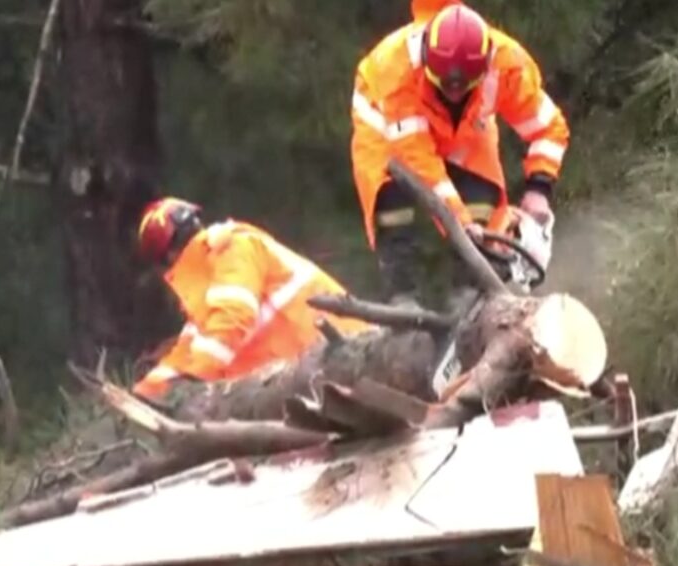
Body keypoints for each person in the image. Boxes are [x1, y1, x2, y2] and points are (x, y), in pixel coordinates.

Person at [350, 0, 570, 308]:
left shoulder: (508, 65)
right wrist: (462, 223)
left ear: (484, 67)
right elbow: (420, 165)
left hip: (463, 131)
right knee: (394, 204)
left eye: (463, 87)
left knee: (484, 202)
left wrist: (539, 190)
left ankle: (469, 296)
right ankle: (404, 298)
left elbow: (549, 127)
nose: (453, 94)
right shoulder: (396, 74)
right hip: (388, 130)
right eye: (444, 85)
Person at [131, 197, 370, 402]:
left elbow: (233, 317)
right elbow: (188, 351)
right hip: (311, 370)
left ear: (168, 256)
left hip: (343, 359)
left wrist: (195, 378)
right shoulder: (212, 280)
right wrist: (145, 394)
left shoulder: (234, 249)